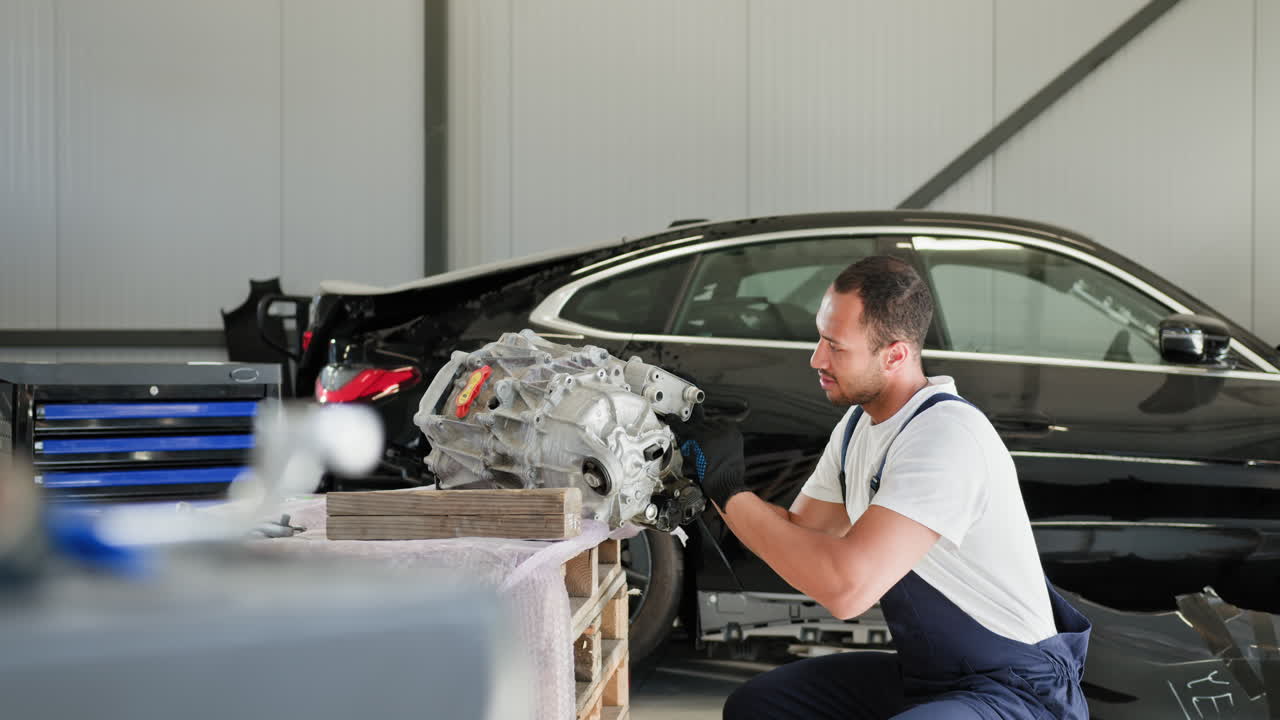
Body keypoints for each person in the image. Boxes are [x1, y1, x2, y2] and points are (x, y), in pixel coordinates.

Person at [676, 255, 1090, 720]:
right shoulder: (859, 425)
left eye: (836, 346)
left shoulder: (945, 437)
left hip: (1017, 688)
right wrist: (708, 473)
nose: (817, 358)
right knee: (759, 707)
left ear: (895, 354)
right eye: (820, 338)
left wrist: (729, 489)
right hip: (932, 676)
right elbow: (800, 534)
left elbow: (845, 590)